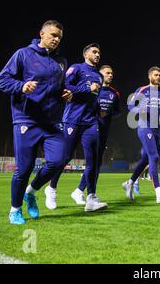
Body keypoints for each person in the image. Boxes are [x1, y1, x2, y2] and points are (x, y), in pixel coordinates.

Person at [0, 20, 72, 225]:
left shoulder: (62, 62)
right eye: (53, 35)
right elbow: (1, 79)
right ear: (41, 34)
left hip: (52, 121)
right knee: (24, 168)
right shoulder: (23, 54)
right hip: (26, 119)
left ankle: (31, 191)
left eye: (59, 37)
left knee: (59, 160)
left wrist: (66, 94)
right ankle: (15, 210)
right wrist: (21, 86)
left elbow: (59, 86)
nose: (56, 39)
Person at [45, 43, 107, 212]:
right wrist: (87, 87)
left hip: (91, 122)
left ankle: (91, 198)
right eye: (94, 52)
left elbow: (92, 98)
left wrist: (98, 108)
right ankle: (51, 189)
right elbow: (64, 87)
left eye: (99, 52)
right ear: (86, 54)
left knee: (93, 160)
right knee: (65, 157)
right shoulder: (77, 68)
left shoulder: (99, 77)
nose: (97, 55)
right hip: (72, 119)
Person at [121, 66, 160, 204]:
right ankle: (158, 192)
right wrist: (139, 109)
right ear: (149, 76)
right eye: (156, 75)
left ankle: (130, 182)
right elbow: (130, 105)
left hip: (157, 130)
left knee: (145, 159)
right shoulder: (142, 90)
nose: (159, 78)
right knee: (154, 157)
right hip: (144, 127)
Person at [71, 65, 121, 204]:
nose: (110, 75)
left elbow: (117, 112)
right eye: (107, 73)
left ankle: (80, 191)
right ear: (100, 75)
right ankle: (86, 193)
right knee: (92, 163)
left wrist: (108, 113)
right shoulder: (94, 90)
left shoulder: (114, 93)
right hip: (91, 128)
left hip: (104, 131)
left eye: (112, 73)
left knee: (96, 164)